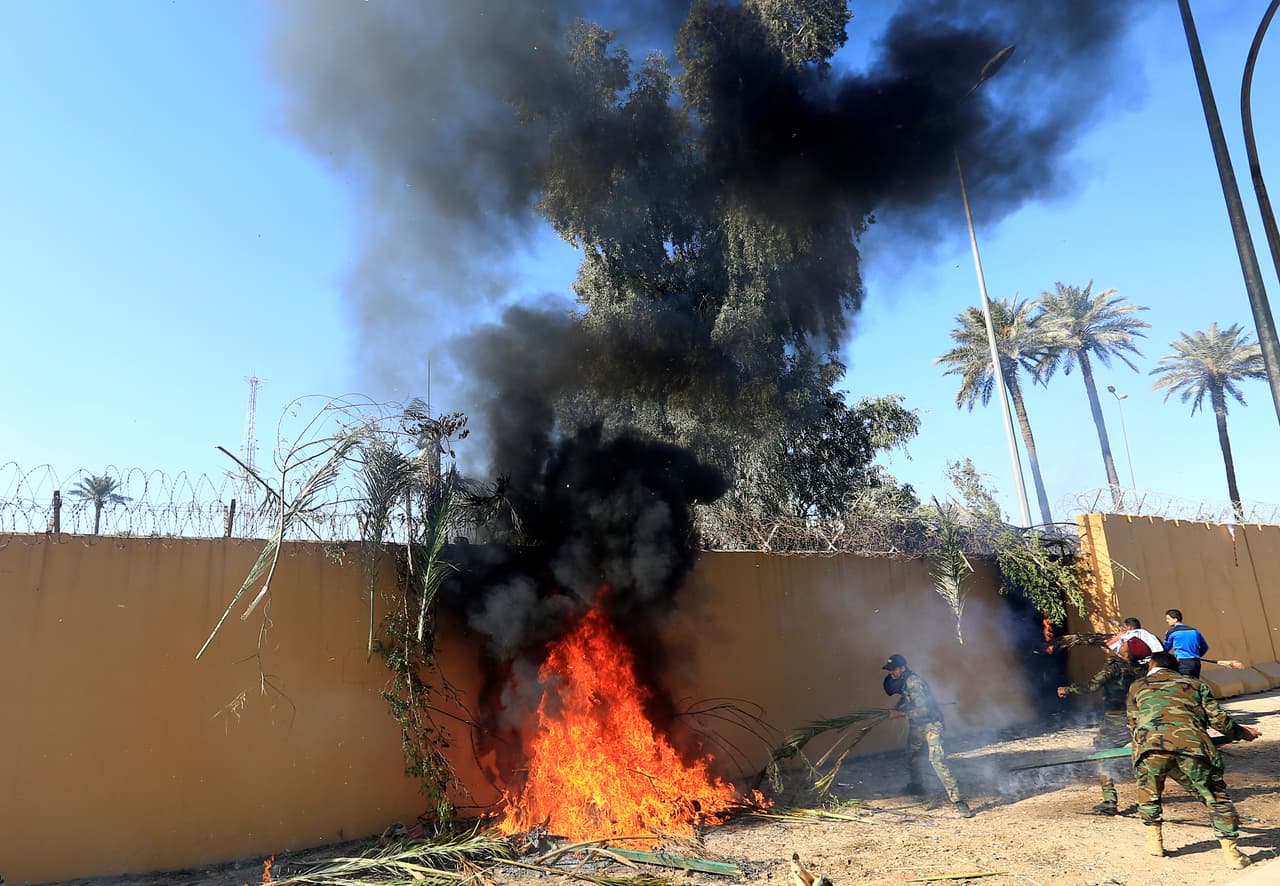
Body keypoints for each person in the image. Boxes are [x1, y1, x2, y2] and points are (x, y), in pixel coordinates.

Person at [1126, 650, 1261, 868]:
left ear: (1151, 665)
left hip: (1150, 748)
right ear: (1175, 667)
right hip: (1192, 747)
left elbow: (1132, 722)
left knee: (1150, 793)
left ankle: (1155, 844)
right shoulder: (1195, 684)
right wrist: (1243, 733)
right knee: (1215, 797)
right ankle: (1232, 855)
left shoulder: (1137, 686)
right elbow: (1218, 720)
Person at [1057, 636, 1150, 814]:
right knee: (1144, 753)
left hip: (1117, 718)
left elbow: (1092, 686)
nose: (1121, 644)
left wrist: (1067, 689)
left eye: (1124, 644)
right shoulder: (1142, 668)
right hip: (1140, 716)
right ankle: (1149, 798)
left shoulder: (1115, 666)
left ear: (1127, 653)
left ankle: (1109, 800)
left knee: (1102, 753)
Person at [881, 654, 973, 818]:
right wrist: (897, 707)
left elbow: (925, 710)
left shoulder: (915, 682)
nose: (891, 673)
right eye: (889, 670)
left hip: (931, 724)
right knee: (911, 755)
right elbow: (906, 699)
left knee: (936, 759)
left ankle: (959, 802)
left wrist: (900, 714)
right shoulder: (902, 681)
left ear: (902, 668)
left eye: (894, 669)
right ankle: (916, 785)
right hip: (917, 724)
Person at [1163, 609, 1210, 677]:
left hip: (1183, 663)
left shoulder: (1171, 632)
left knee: (1183, 685)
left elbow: (1165, 649)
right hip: (1196, 663)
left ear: (1175, 619)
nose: (1166, 621)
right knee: (1195, 684)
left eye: (1168, 619)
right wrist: (1196, 655)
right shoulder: (1195, 631)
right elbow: (1205, 647)